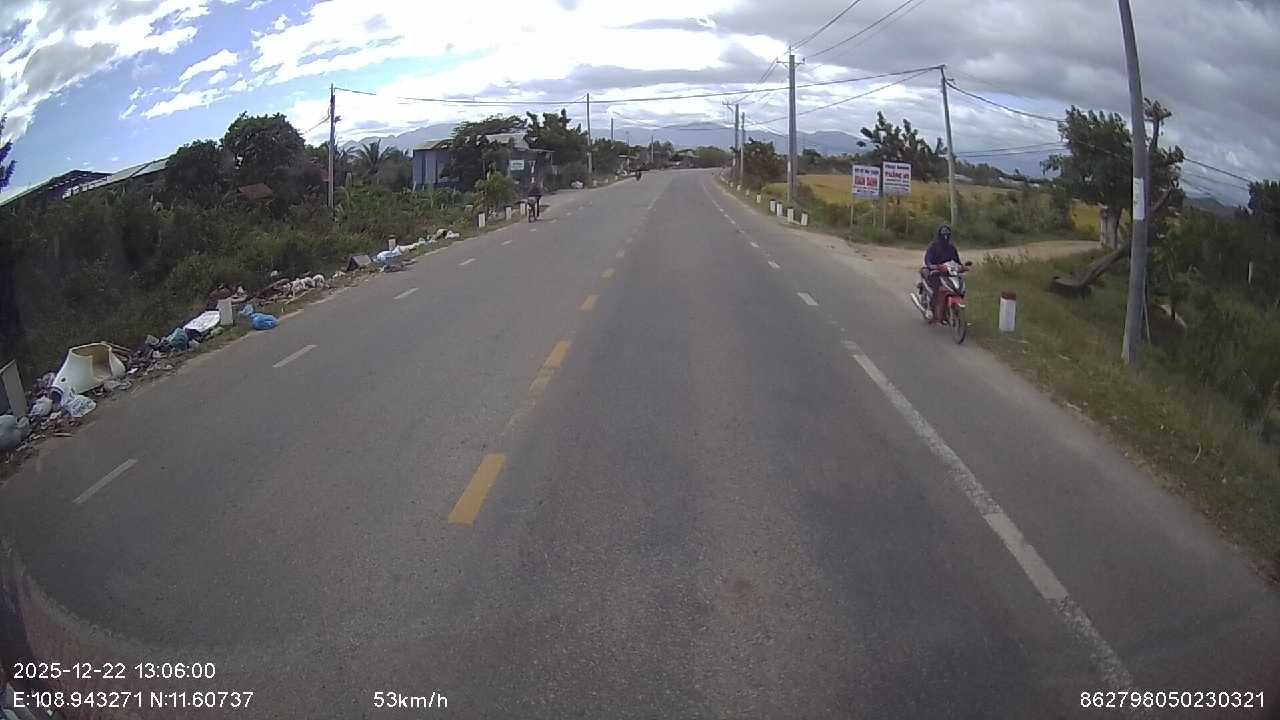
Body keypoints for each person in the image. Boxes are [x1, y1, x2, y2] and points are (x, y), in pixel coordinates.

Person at [921, 224, 961, 321]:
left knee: (958, 285)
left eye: (947, 235)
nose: (945, 237)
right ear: (939, 235)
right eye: (944, 235)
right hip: (935, 272)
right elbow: (927, 259)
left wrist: (962, 267)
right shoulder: (933, 246)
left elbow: (957, 261)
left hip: (948, 272)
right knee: (936, 287)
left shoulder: (951, 248)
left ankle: (949, 309)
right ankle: (931, 308)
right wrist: (931, 266)